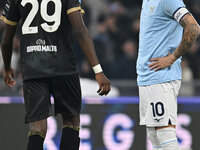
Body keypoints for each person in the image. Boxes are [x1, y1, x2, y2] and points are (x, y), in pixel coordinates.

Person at [0, 0, 111, 150]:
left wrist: (7, 67)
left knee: (37, 128)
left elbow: (6, 41)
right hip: (63, 67)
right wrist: (98, 70)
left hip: (33, 69)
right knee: (71, 122)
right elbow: (80, 30)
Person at [137, 0, 200, 150]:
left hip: (161, 78)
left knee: (165, 135)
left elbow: (193, 27)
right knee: (155, 136)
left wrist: (172, 58)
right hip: (147, 78)